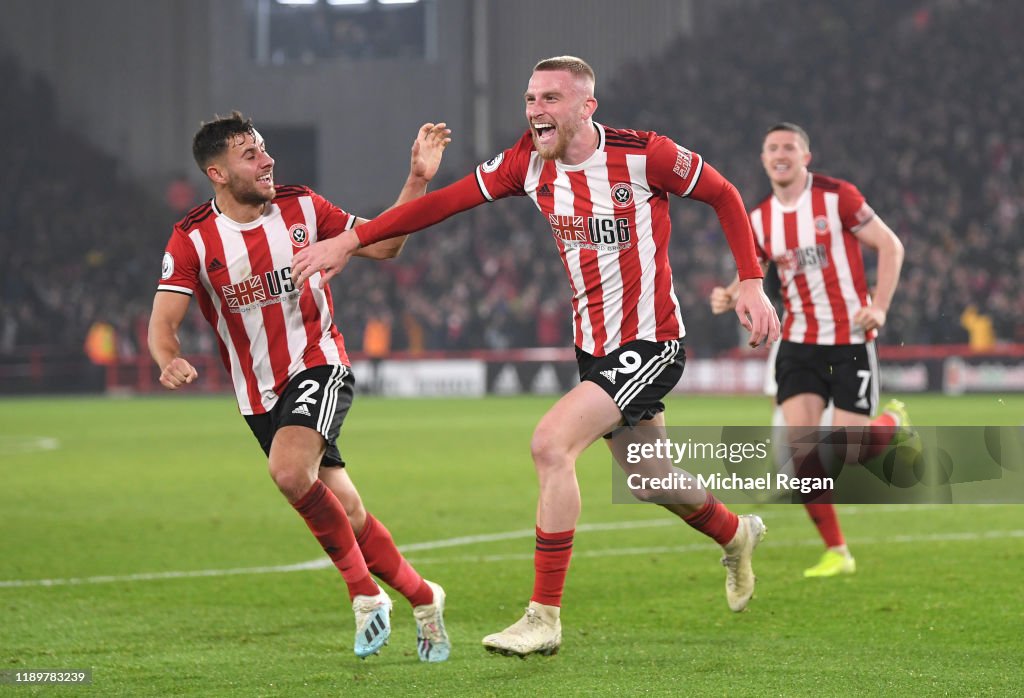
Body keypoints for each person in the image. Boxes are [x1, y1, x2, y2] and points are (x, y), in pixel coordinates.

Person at [291, 56, 782, 657]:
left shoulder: (644, 155)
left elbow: (725, 194)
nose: (535, 111)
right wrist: (352, 237)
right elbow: (440, 205)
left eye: (550, 99)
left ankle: (543, 617)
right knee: (650, 481)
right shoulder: (525, 161)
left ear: (586, 106)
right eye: (529, 99)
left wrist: (751, 280)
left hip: (651, 341)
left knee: (551, 444)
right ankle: (737, 536)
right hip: (594, 349)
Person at [148, 112, 452, 661]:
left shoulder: (303, 207)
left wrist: (418, 181)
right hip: (258, 395)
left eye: (264, 149)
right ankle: (425, 596)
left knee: (288, 472)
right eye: (250, 154)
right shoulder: (193, 237)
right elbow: (162, 324)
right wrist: (168, 359)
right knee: (349, 513)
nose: (267, 160)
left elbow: (383, 246)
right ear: (216, 172)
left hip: (318, 364)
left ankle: (366, 597)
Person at [710, 122, 909, 578]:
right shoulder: (758, 218)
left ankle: (891, 422)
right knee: (804, 452)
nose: (780, 154)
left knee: (850, 449)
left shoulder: (838, 197)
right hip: (798, 343)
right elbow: (752, 270)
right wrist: (729, 293)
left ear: (806, 156)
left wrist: (878, 308)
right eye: (772, 148)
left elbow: (891, 246)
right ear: (764, 159)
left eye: (789, 147)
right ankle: (837, 550)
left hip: (849, 340)